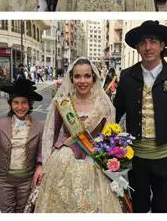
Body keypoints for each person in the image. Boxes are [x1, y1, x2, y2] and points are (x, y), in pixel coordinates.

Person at [114, 21, 167, 212]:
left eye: (153, 41)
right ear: (137, 47)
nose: (148, 47)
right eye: (143, 42)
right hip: (136, 159)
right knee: (137, 208)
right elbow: (114, 113)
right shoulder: (127, 76)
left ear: (162, 45)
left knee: (163, 209)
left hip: (165, 158)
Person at [34, 57, 122, 212]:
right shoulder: (62, 102)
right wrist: (41, 165)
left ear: (94, 78)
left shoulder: (104, 104)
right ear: (71, 79)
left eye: (87, 76)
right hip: (63, 163)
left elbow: (110, 140)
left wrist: (113, 166)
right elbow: (49, 135)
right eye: (77, 76)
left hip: (94, 164)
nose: (82, 81)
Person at [0, 78, 43, 213]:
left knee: (25, 211)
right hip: (6, 181)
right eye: (16, 102)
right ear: (11, 103)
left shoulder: (39, 126)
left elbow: (41, 155)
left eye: (24, 103)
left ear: (30, 104)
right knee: (6, 211)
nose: (20, 107)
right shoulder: (0, 124)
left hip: (27, 181)